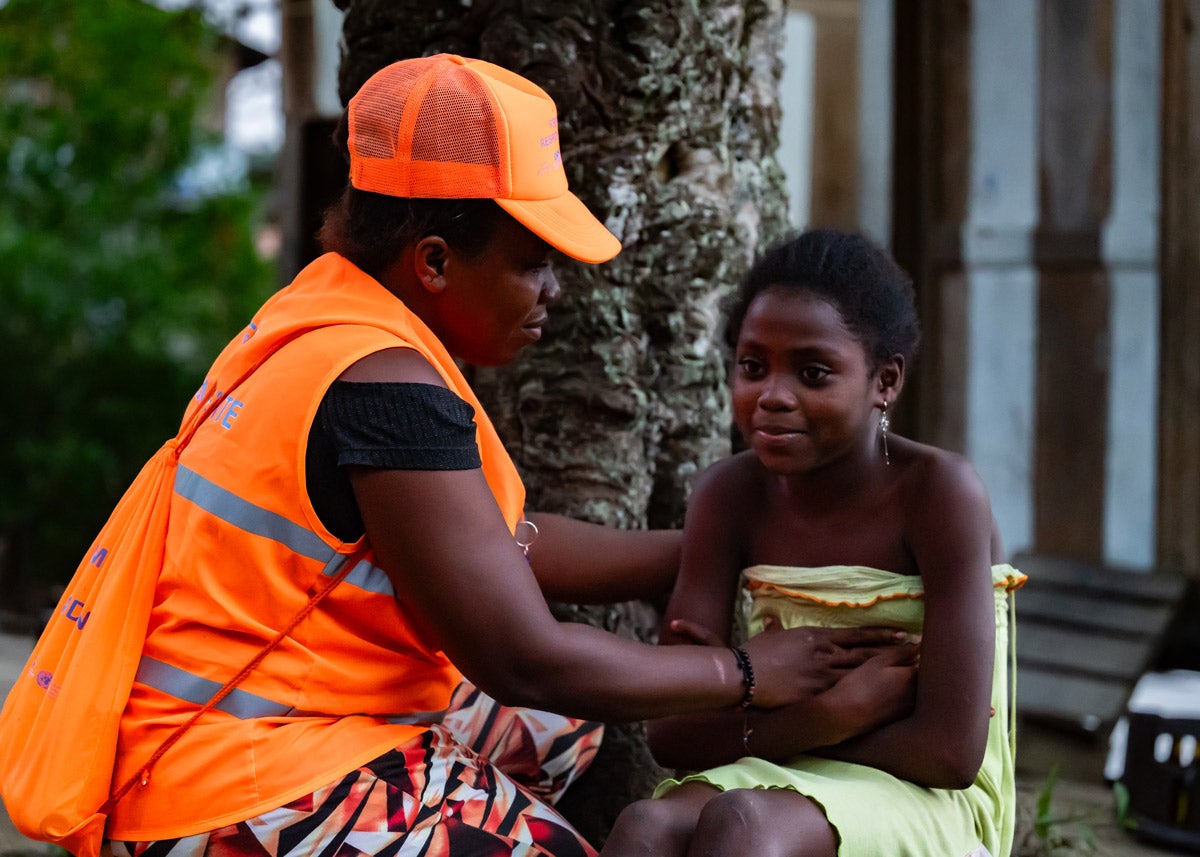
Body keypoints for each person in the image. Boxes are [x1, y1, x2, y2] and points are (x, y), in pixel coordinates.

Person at [100, 56, 912, 857]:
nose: (553, 290)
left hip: (227, 728)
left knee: (562, 739)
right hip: (229, 786)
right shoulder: (384, 387)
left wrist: (721, 550)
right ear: (435, 261)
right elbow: (527, 658)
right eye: (532, 262)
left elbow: (500, 541)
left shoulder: (323, 322)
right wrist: (746, 671)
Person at [599, 229, 1026, 857]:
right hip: (782, 759)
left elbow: (949, 752)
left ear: (885, 380)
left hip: (921, 792)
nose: (772, 395)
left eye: (813, 372)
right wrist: (833, 714)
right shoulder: (728, 495)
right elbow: (672, 733)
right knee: (645, 827)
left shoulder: (938, 495)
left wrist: (760, 726)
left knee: (743, 827)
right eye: (752, 367)